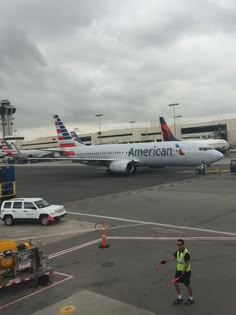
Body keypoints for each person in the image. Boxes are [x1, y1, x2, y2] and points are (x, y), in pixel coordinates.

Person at [160, 239, 194, 305]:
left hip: (186, 272)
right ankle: (179, 298)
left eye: (180, 244)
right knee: (175, 283)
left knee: (187, 285)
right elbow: (174, 257)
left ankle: (191, 298)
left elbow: (187, 264)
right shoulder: (178, 251)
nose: (179, 246)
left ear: (183, 244)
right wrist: (165, 261)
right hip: (179, 271)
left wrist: (183, 273)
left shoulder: (186, 253)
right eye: (178, 244)